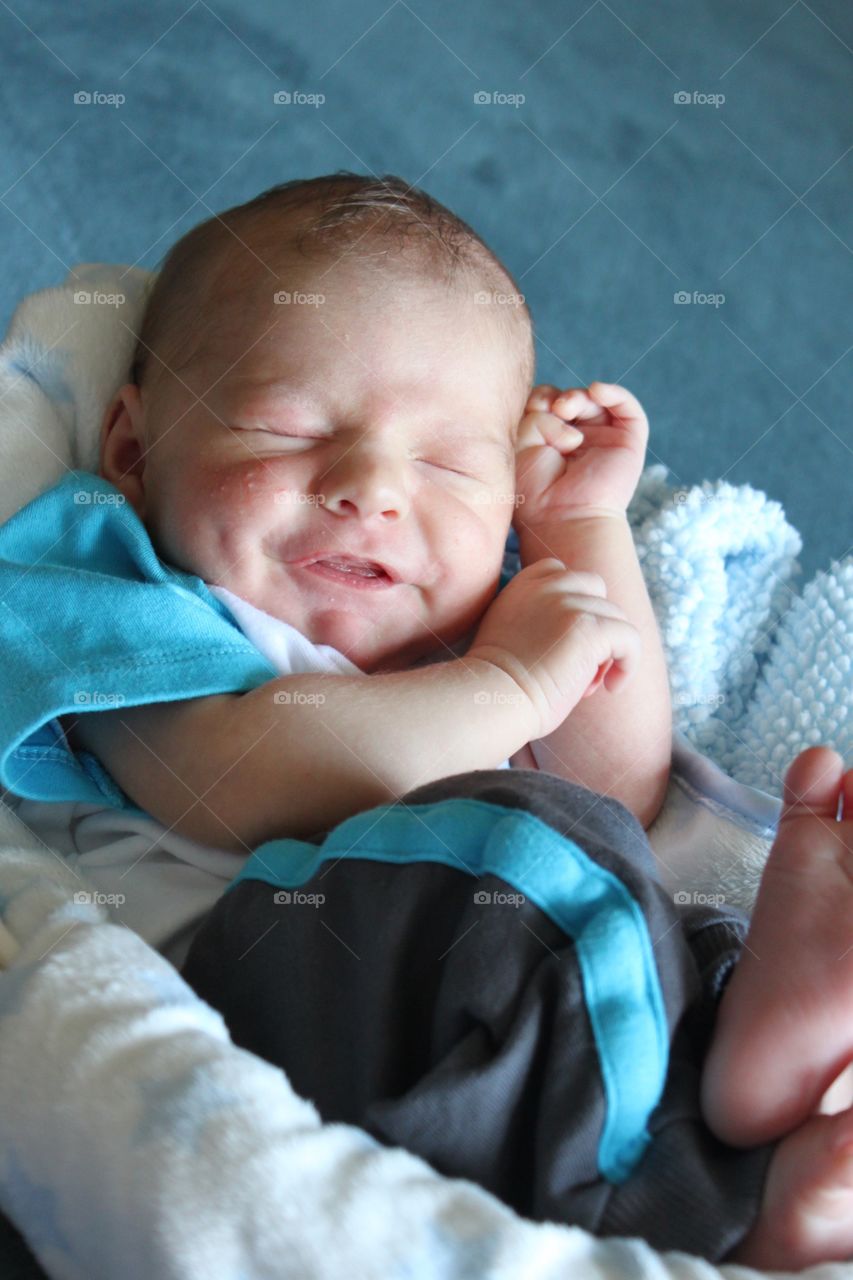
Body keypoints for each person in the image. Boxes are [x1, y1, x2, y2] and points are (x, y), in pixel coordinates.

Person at [0, 172, 850, 1269]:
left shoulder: (471, 612)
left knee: (614, 883)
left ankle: (746, 1050)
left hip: (510, 1014)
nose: (369, 486)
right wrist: (510, 688)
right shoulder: (114, 577)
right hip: (275, 971)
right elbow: (239, 775)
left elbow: (625, 788)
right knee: (512, 851)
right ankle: (718, 1204)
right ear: (131, 446)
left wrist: (578, 530)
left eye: (446, 463)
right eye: (288, 425)